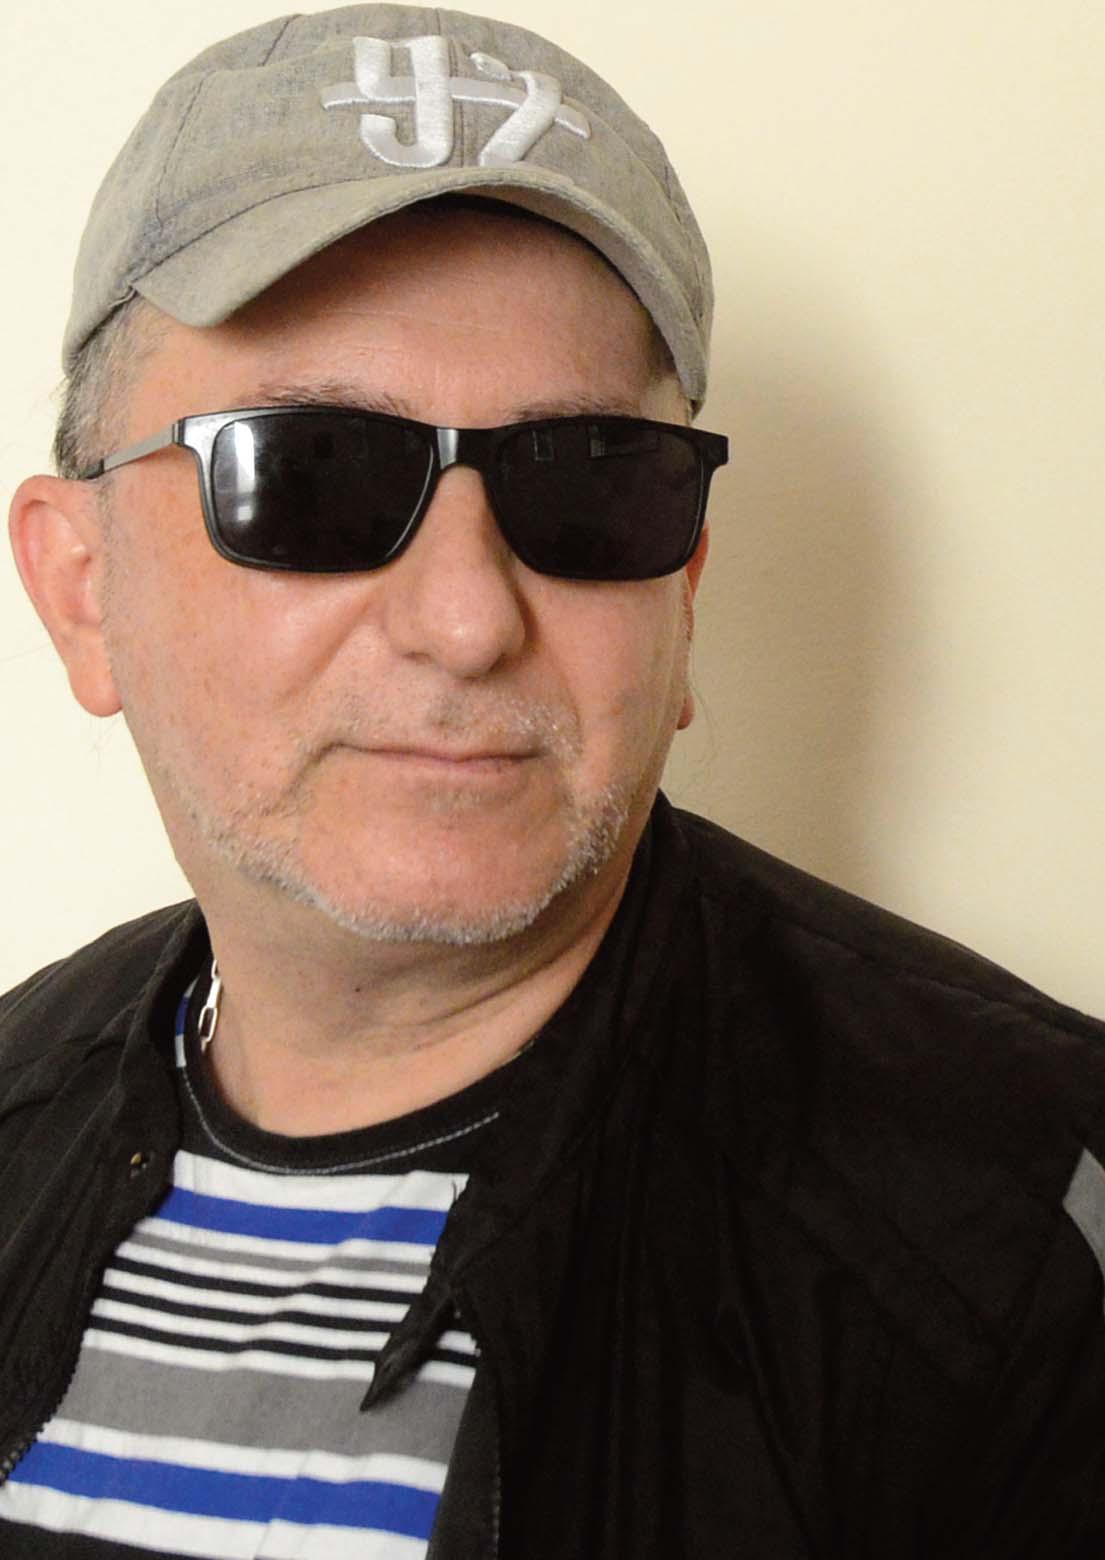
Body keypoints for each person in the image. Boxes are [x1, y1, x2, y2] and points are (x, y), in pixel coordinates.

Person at [1, 5, 1103, 1556]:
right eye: (313, 471)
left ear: (683, 592)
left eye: (590, 482)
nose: (467, 618)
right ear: (81, 589)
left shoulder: (1026, 1229)